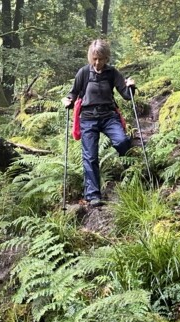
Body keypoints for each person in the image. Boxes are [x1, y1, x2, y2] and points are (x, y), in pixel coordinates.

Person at [61, 39, 136, 207]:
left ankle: (131, 173)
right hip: (88, 118)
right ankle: (93, 194)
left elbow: (125, 94)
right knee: (90, 156)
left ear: (106, 58)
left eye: (101, 59)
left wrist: (130, 87)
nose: (97, 62)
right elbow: (73, 93)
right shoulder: (84, 73)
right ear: (90, 57)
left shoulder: (112, 73)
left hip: (109, 115)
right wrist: (68, 100)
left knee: (122, 141)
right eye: (94, 58)